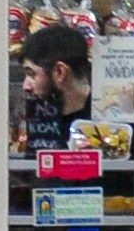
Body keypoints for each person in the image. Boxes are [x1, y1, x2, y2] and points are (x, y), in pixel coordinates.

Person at [16, 22, 94, 153]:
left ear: (60, 72)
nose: (25, 86)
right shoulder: (40, 121)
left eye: (32, 74)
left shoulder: (108, 124)